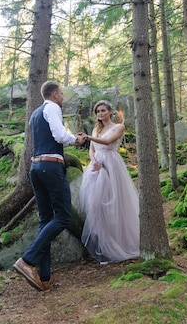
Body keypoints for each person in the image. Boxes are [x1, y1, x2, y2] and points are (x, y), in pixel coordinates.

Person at [13, 81, 87, 291]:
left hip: (36, 167)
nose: (62, 97)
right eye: (61, 94)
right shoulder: (53, 107)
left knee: (46, 219)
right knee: (63, 216)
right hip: (51, 166)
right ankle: (27, 261)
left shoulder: (35, 113)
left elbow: (48, 137)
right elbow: (59, 135)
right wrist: (76, 140)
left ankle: (44, 277)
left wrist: (71, 139)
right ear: (54, 94)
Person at [79, 100, 140, 264]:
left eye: (103, 110)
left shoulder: (118, 127)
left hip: (111, 165)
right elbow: (92, 150)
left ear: (110, 111)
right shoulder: (96, 129)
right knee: (95, 205)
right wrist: (94, 162)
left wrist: (87, 137)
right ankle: (104, 247)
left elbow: (107, 142)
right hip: (96, 167)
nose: (100, 114)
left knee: (113, 203)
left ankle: (119, 244)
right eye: (98, 111)